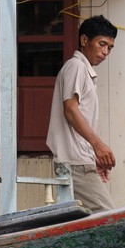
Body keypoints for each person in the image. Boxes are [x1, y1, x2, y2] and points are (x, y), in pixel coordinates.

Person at [47, 15, 118, 212]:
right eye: (102, 44)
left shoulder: (83, 70)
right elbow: (70, 110)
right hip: (75, 164)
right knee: (109, 218)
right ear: (85, 40)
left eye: (110, 47)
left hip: (80, 161)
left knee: (83, 222)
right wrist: (98, 146)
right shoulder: (76, 66)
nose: (105, 52)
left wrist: (93, 155)